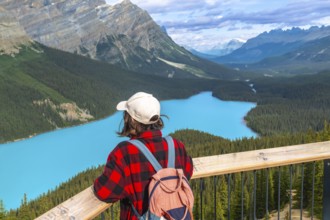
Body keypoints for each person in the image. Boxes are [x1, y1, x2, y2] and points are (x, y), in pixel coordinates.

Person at [94, 92, 194, 219]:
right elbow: (188, 171)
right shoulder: (176, 145)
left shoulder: (124, 153)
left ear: (133, 121)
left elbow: (104, 192)